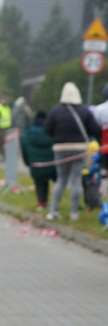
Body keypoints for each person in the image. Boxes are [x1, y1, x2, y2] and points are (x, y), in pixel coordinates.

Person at [43, 81, 100, 221]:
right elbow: (95, 129)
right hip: (79, 149)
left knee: (61, 179)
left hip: (61, 149)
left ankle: (53, 210)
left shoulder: (55, 111)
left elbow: (47, 129)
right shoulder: (84, 110)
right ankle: (74, 212)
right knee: (76, 179)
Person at [20, 110, 56, 212]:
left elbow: (24, 148)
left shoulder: (28, 133)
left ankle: (41, 202)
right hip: (51, 164)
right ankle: (52, 203)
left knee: (39, 183)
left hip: (35, 164)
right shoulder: (52, 131)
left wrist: (27, 162)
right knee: (50, 182)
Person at [0, 96, 12, 162]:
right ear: (0, 100)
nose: (4, 101)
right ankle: (3, 157)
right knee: (1, 142)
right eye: (3, 100)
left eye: (5, 100)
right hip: (0, 129)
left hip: (7, 128)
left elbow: (9, 117)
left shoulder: (7, 108)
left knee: (3, 143)